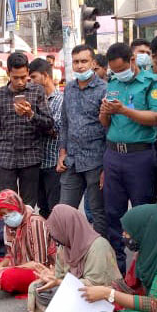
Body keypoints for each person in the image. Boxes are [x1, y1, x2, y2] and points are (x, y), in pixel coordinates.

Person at [100, 42, 157, 272]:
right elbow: (106, 124)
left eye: (121, 69)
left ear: (132, 61)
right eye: (113, 71)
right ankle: (117, 269)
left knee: (142, 213)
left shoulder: (152, 83)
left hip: (140, 156)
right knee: (112, 212)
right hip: (113, 154)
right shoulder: (113, 83)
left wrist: (124, 110)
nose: (118, 74)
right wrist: (105, 113)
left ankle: (145, 269)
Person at [0, 53, 54, 206]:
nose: (20, 82)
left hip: (31, 157)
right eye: (16, 78)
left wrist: (31, 114)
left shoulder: (37, 91)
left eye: (23, 77)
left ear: (28, 72)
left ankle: (27, 230)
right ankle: (12, 231)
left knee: (28, 206)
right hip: (7, 158)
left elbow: (49, 123)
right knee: (10, 206)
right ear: (8, 73)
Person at [28, 204, 125, 312]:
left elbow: (95, 284)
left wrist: (60, 282)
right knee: (37, 288)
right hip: (74, 288)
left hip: (100, 294)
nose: (55, 236)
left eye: (57, 230)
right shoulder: (64, 246)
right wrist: (51, 276)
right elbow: (61, 277)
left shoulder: (98, 246)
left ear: (67, 227)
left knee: (62, 296)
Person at [58, 44, 107, 236]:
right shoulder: (69, 88)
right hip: (72, 160)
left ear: (93, 63)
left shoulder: (104, 89)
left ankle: (102, 255)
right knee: (65, 211)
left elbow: (108, 128)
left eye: (84, 61)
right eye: (76, 62)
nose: (79, 66)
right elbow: (64, 123)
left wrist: (106, 165)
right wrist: (62, 153)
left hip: (96, 161)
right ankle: (66, 256)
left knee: (98, 213)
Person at [0, 189, 55, 300]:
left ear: (18, 207)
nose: (7, 216)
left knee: (9, 276)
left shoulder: (36, 223)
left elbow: (39, 264)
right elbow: (10, 255)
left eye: (10, 211)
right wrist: (0, 265)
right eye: (3, 214)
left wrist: (3, 270)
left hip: (41, 272)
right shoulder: (8, 225)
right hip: (17, 266)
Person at [29, 58, 63, 217]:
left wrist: (32, 117)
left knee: (55, 208)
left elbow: (55, 129)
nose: (31, 82)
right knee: (42, 208)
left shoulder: (60, 100)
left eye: (33, 78)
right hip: (35, 161)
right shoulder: (32, 100)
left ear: (45, 75)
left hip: (53, 162)